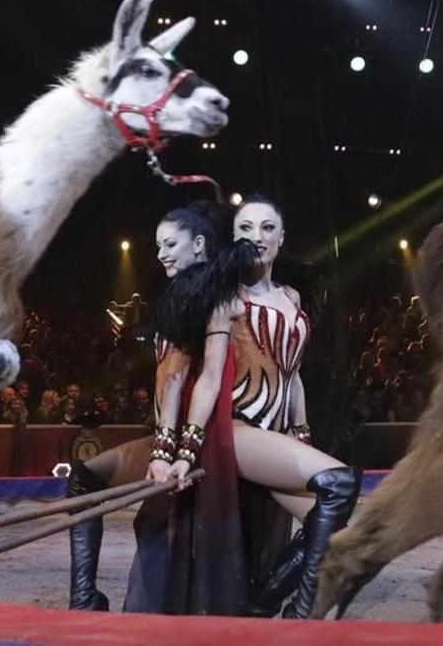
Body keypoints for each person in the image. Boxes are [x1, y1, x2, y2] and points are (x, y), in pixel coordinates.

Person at [129, 195, 361, 618]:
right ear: (232, 240)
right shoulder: (223, 297)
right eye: (246, 229)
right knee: (340, 483)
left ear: (281, 237)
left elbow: (292, 377)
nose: (257, 237)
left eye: (267, 228)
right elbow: (201, 377)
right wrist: (181, 450)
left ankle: (257, 608)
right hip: (236, 429)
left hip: (273, 436)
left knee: (340, 528)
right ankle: (298, 620)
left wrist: (300, 436)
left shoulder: (293, 297)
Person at [66, 202, 229, 610]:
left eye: (170, 244)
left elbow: (177, 378)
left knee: (86, 479)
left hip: (190, 437)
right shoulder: (203, 289)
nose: (161, 254)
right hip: (180, 433)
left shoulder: (196, 293)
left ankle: (84, 600)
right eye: (158, 246)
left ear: (199, 243)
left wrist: (170, 451)